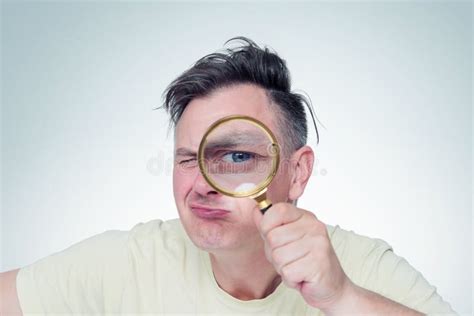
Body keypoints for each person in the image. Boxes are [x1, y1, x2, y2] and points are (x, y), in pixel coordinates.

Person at [0, 37, 456, 315]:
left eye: (235, 157)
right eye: (185, 159)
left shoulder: (363, 268)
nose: (200, 184)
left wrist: (342, 298)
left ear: (297, 173)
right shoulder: (132, 262)